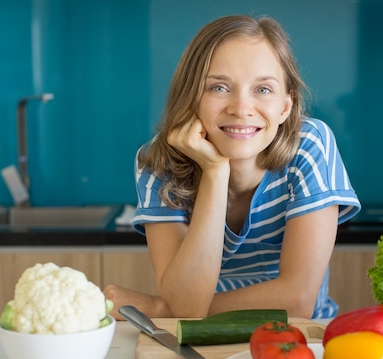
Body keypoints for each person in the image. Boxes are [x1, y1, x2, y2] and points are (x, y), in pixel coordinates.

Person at [104, 15, 361, 320]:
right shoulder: (158, 161)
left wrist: (161, 308)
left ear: (285, 106)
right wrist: (214, 172)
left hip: (300, 341)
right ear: (192, 97)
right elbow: (186, 306)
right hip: (203, 340)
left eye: (262, 89)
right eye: (219, 88)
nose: (240, 108)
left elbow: (297, 302)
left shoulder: (310, 145)